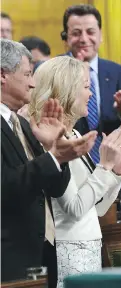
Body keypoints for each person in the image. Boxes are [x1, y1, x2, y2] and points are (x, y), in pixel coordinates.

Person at [28, 56, 121, 287]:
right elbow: (74, 208)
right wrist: (104, 167)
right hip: (67, 250)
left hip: (89, 246)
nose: (91, 95)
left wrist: (116, 169)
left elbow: (98, 208)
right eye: (86, 87)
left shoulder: (73, 136)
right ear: (67, 90)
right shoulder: (54, 142)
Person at [1, 39, 94, 287]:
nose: (33, 83)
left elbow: (54, 189)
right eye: (27, 74)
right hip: (8, 259)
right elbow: (5, 187)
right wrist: (54, 157)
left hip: (40, 253)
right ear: (2, 76)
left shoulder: (22, 124)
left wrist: (55, 150)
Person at [61, 4, 121, 162]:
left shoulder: (119, 73)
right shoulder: (53, 71)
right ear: (66, 37)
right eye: (76, 33)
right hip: (71, 164)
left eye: (90, 32)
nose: (84, 39)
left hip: (114, 165)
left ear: (100, 36)